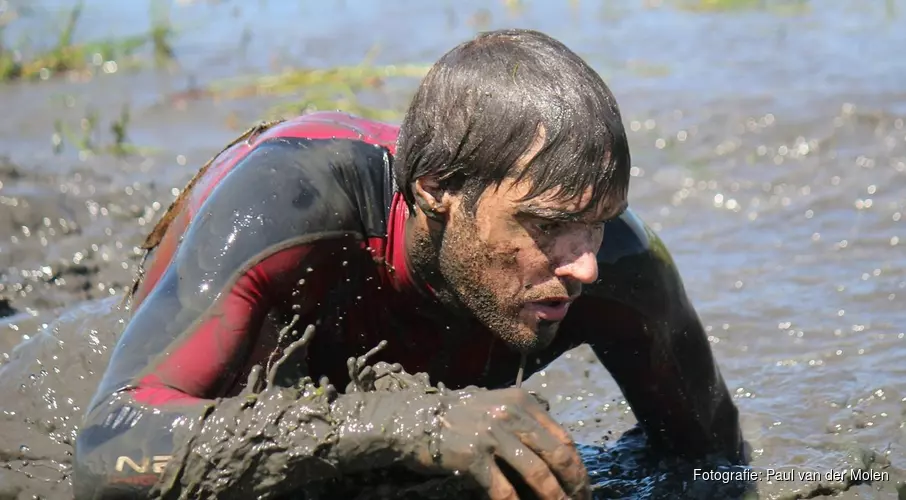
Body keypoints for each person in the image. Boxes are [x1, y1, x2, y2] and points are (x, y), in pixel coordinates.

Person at [73, 29, 744, 500]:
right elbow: (105, 454)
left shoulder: (625, 268)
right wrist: (411, 426)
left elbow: (717, 469)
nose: (585, 268)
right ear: (434, 188)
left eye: (596, 223)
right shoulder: (287, 217)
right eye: (547, 226)